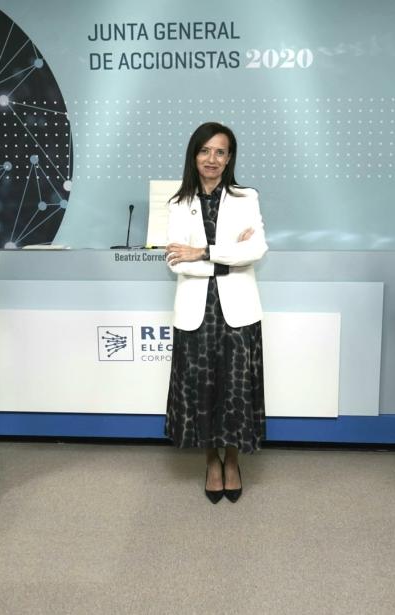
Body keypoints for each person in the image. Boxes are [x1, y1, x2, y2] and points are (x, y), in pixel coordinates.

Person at [164, 122, 268, 504]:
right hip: (196, 313)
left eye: (220, 152)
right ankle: (211, 461)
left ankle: (233, 462)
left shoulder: (246, 198)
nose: (212, 159)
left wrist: (203, 251)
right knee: (202, 391)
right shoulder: (178, 203)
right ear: (194, 155)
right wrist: (228, 256)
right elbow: (176, 262)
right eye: (205, 150)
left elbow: (256, 251)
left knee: (236, 390)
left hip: (238, 312)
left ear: (229, 158)